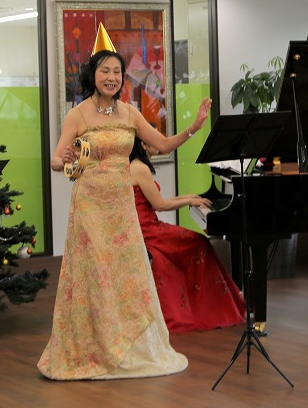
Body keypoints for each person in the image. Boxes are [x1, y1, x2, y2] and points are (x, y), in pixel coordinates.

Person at [37, 23, 211, 380]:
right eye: (105, 71)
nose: (112, 78)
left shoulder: (130, 113)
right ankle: (95, 346)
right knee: (95, 274)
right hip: (89, 206)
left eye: (117, 72)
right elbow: (57, 160)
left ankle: (129, 344)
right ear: (93, 75)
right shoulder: (78, 114)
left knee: (127, 275)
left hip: (121, 207)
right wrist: (65, 159)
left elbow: (162, 145)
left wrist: (194, 127)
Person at [129, 136, 246, 333]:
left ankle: (208, 304)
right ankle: (210, 308)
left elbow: (158, 202)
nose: (160, 143)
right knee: (199, 242)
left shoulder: (138, 165)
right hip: (148, 231)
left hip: (148, 226)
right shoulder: (139, 168)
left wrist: (190, 197)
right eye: (155, 140)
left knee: (198, 242)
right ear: (143, 144)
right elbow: (160, 205)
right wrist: (189, 201)